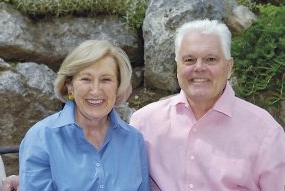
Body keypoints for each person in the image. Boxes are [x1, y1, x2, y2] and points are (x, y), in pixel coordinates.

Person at [130, 19, 285, 190]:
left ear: (229, 66)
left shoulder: (265, 133)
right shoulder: (143, 124)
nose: (199, 68)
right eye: (189, 60)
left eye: (210, 59)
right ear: (177, 66)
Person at [19, 40, 150, 190]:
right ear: (69, 86)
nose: (95, 90)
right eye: (86, 79)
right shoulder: (41, 138)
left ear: (118, 86)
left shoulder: (133, 140)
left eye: (106, 80)